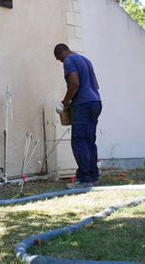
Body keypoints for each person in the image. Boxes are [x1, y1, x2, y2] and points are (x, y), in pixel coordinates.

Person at [53, 43, 102, 188]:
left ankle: (84, 180)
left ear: (61, 53)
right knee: (89, 141)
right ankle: (94, 177)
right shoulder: (86, 60)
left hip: (83, 105)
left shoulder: (69, 60)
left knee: (79, 141)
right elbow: (96, 85)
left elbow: (74, 82)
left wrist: (64, 103)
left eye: (59, 59)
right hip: (96, 102)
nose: (61, 62)